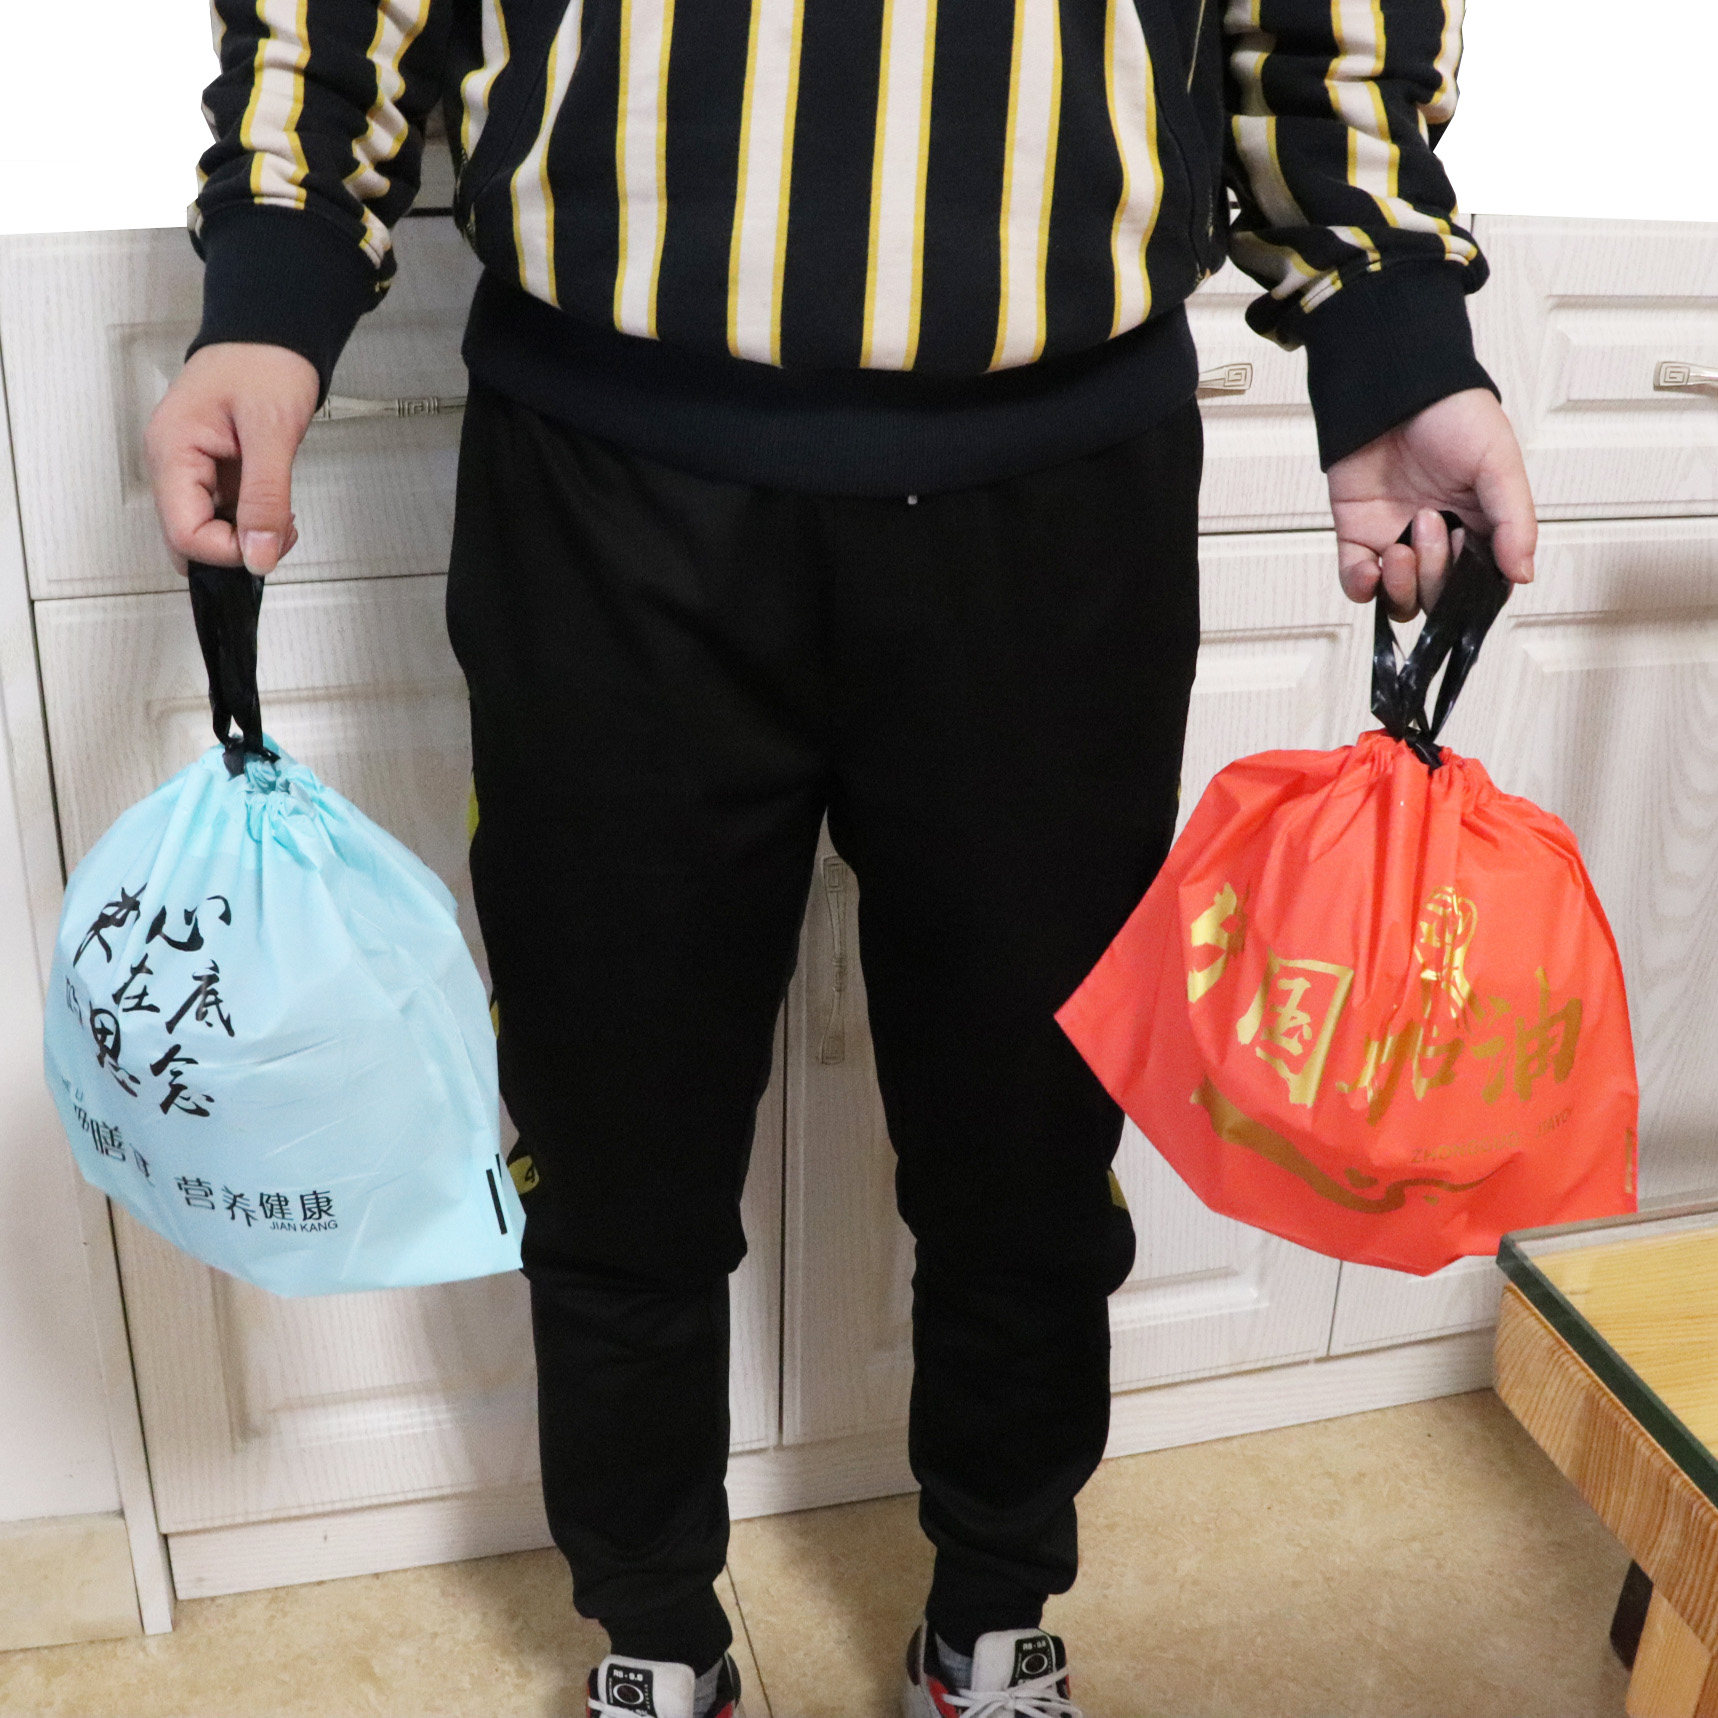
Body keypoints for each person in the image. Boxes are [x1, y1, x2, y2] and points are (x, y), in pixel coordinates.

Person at [146, 2, 1536, 1713]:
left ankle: (992, 1616)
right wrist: (271, 284)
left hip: (1056, 485)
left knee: (1031, 1139)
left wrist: (1392, 328)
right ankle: (655, 1633)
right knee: (609, 1133)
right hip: (603, 473)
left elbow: (1325, 32)